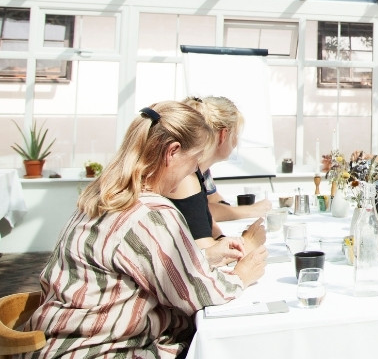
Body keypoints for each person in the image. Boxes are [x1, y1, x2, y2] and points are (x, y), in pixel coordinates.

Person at [19, 101, 268, 359]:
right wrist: (242, 274)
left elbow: (138, 264)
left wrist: (206, 257)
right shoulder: (151, 212)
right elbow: (201, 294)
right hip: (100, 350)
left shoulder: (104, 195)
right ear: (172, 152)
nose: (195, 170)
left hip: (60, 343)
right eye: (194, 160)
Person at [167, 96, 266, 260]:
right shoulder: (187, 179)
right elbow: (204, 253)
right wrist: (249, 243)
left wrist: (229, 241)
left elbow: (210, 228)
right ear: (223, 135)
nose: (237, 142)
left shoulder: (196, 174)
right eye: (236, 134)